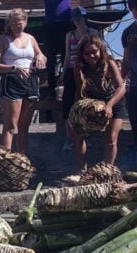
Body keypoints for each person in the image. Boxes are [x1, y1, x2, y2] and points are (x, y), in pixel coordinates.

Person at [0, 8, 47, 154]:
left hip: (30, 80)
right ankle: (5, 160)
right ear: (9, 24)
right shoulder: (3, 39)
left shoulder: (31, 38)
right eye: (14, 24)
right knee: (11, 125)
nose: (17, 27)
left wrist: (41, 57)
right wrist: (13, 68)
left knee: (24, 126)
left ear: (25, 22)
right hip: (12, 79)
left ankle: (22, 159)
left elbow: (41, 54)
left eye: (20, 23)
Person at [72, 35, 126, 171]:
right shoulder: (79, 68)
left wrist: (109, 106)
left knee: (111, 139)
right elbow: (80, 91)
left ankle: (107, 171)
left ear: (100, 51)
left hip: (113, 101)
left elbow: (122, 87)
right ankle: (82, 171)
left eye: (94, 52)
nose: (91, 56)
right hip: (92, 102)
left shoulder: (109, 64)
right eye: (87, 53)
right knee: (77, 135)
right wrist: (76, 113)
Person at [60, 6, 99, 152]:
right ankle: (69, 137)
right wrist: (63, 74)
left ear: (84, 17)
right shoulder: (70, 35)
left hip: (88, 70)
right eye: (75, 19)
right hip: (72, 70)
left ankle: (89, 134)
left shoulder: (93, 32)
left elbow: (100, 52)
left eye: (79, 18)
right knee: (68, 102)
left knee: (89, 102)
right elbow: (67, 55)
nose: (77, 21)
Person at [43, 0, 72, 99]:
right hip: (51, 23)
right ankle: (52, 89)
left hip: (65, 22)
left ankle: (67, 86)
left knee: (66, 56)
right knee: (51, 59)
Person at [121, 0, 137, 155]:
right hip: (134, 83)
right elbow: (125, 59)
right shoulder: (128, 32)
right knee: (134, 116)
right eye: (134, 8)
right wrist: (120, 81)